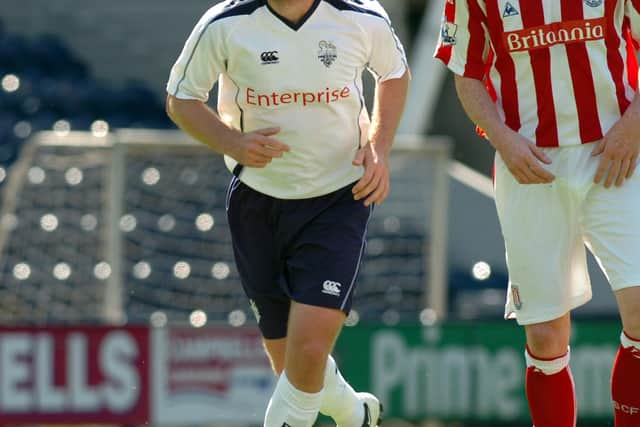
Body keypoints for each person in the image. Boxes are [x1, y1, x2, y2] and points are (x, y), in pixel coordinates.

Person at [166, 0, 409, 426]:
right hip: (257, 202)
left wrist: (378, 148)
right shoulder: (226, 23)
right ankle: (355, 414)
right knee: (294, 370)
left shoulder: (360, 16)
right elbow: (180, 98)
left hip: (339, 197)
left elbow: (394, 73)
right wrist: (232, 142)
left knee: (309, 353)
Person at [435, 0, 640, 426]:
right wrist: (504, 140)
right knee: (546, 336)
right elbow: (466, 74)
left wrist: (633, 126)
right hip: (530, 166)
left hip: (616, 155)